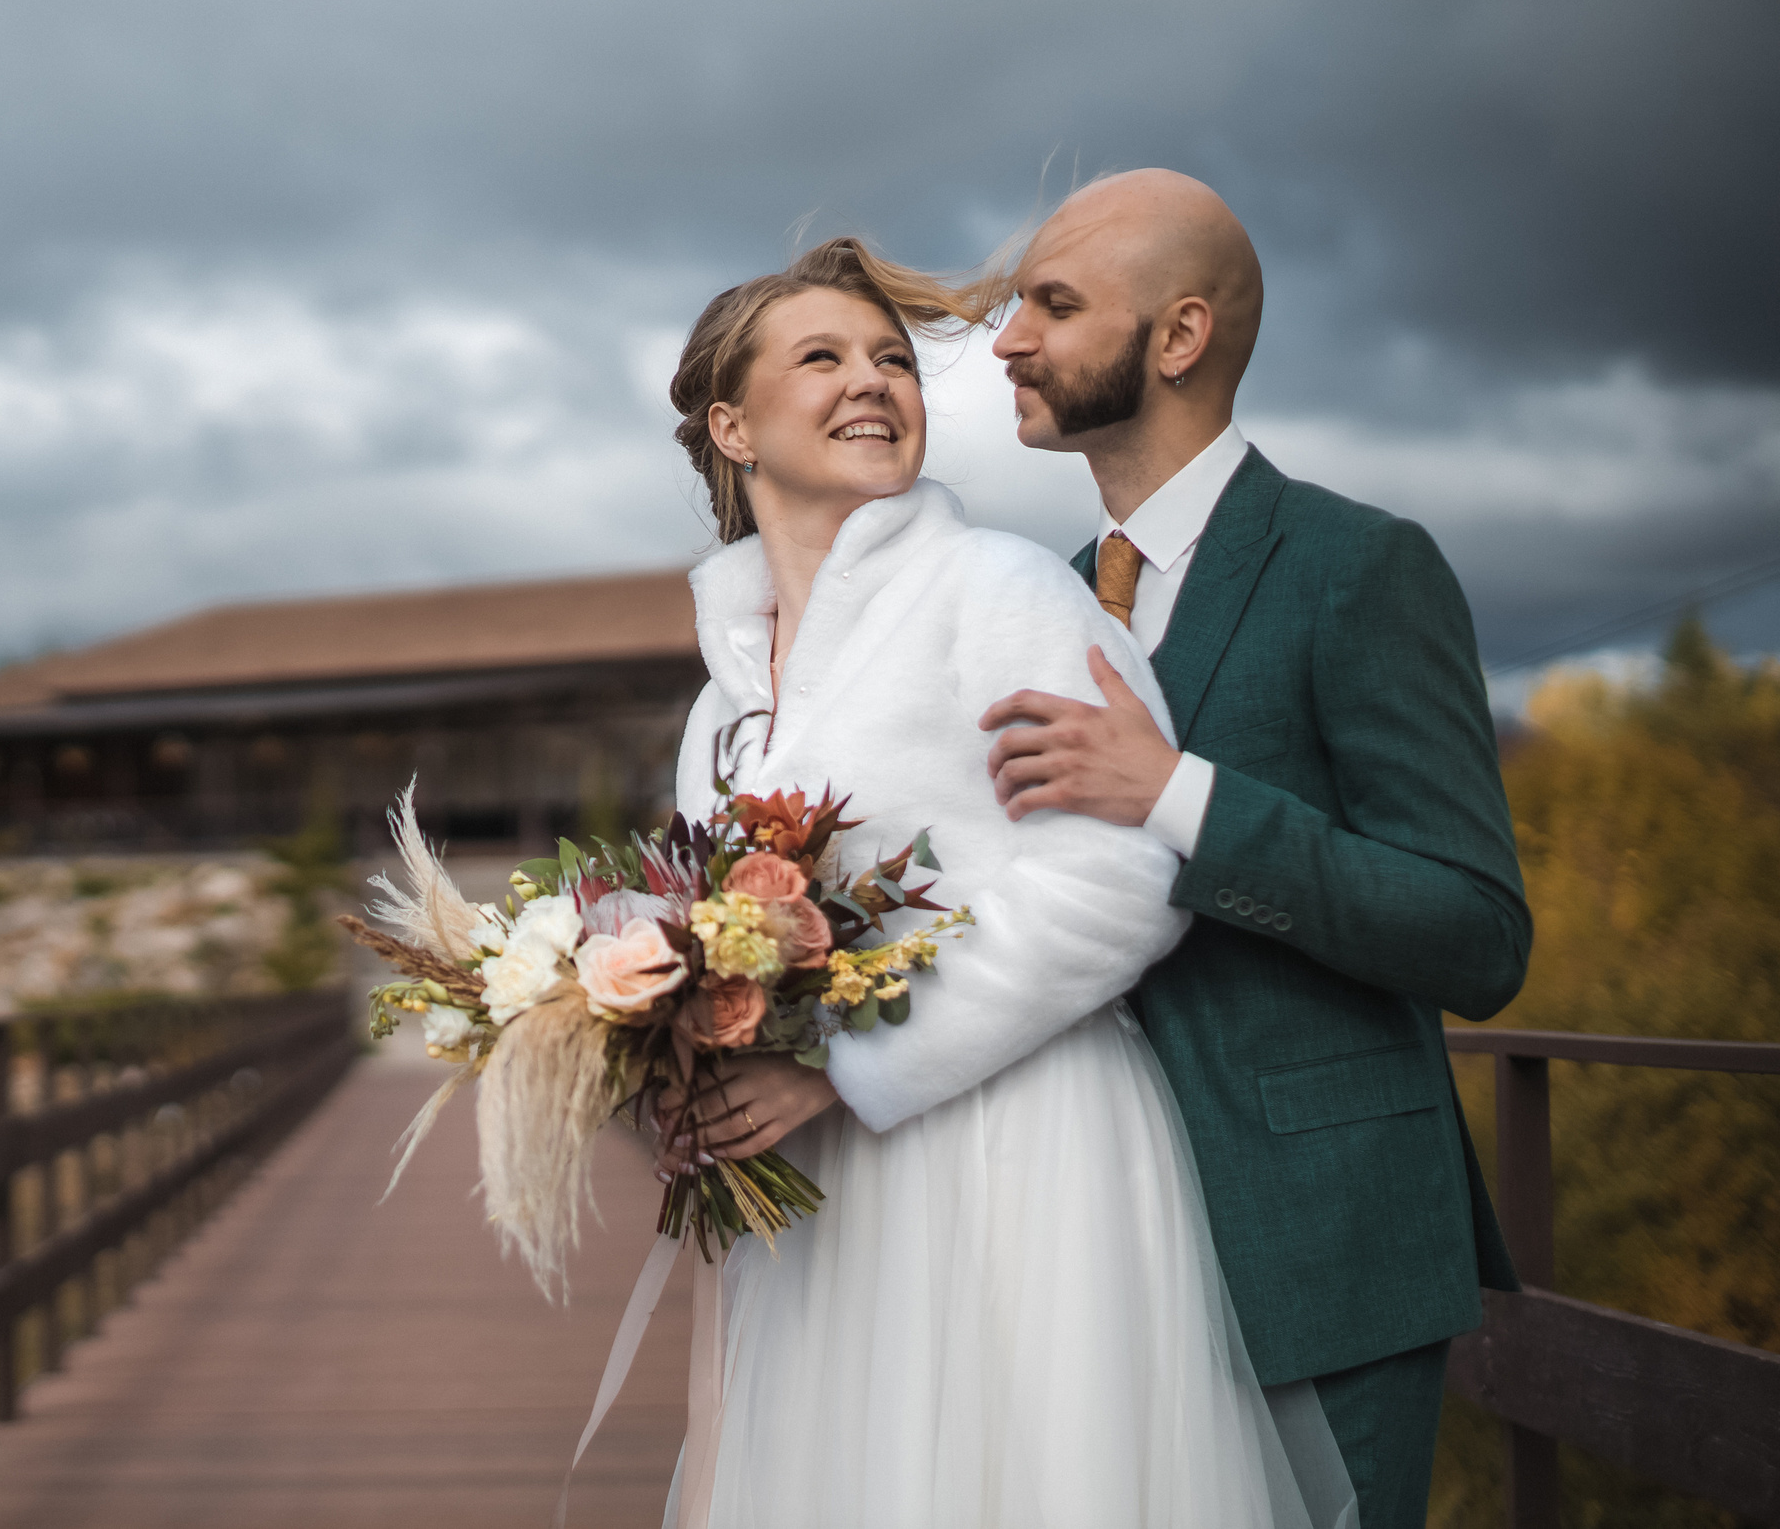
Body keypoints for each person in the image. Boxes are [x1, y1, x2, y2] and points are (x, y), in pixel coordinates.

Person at [653, 237, 1350, 1527]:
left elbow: (1124, 875)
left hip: (1016, 1155)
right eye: (824, 358)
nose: (873, 382)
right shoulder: (720, 705)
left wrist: (842, 1069)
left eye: (893, 361)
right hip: (829, 1205)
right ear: (733, 427)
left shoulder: (1001, 591)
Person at [973, 169, 1531, 1529]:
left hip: (1316, 1248)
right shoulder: (1030, 602)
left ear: (1177, 339)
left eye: (1051, 305)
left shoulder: (1359, 568)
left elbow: (1475, 932)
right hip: (1079, 1252)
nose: (1006, 342)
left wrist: (1181, 798)